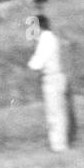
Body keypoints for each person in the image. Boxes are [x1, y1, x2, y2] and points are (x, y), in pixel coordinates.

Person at [27, 14, 69, 151]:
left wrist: (30, 64)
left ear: (40, 26)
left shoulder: (45, 39)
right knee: (58, 112)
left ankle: (58, 146)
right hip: (57, 77)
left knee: (53, 113)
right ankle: (60, 144)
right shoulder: (51, 38)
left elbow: (38, 62)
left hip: (51, 79)